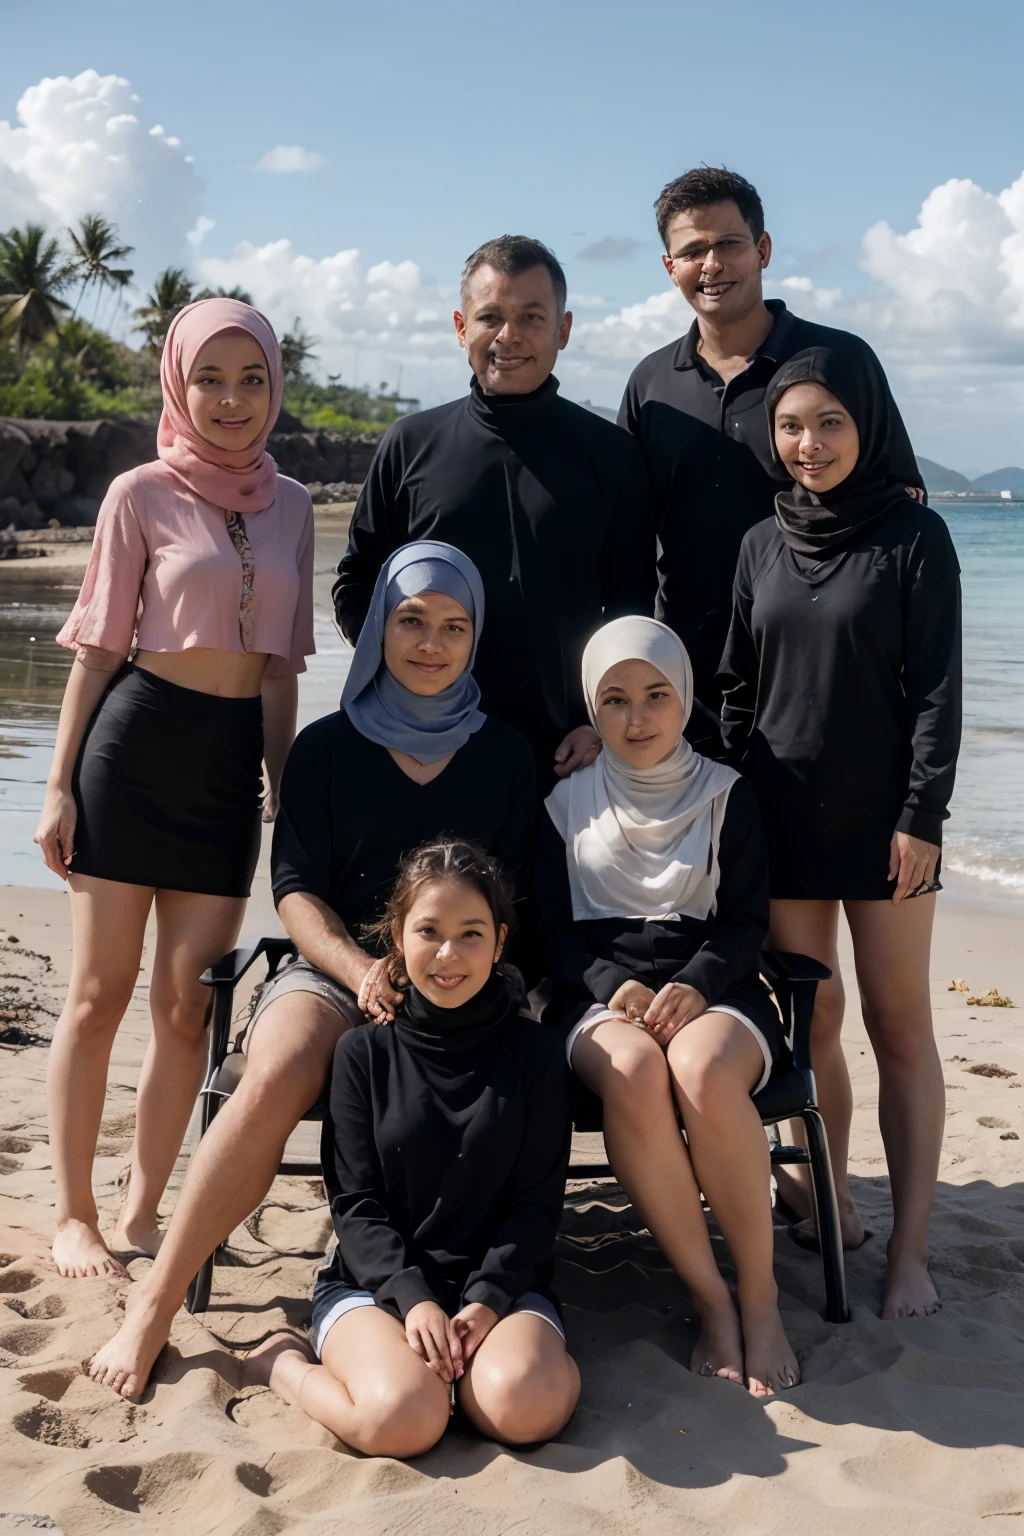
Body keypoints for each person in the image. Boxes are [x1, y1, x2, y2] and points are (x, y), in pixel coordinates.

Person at [88, 541, 536, 1401]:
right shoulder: (330, 748)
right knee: (282, 1060)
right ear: (377, 629)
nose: (431, 643)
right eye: (411, 621)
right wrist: (362, 969)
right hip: (340, 970)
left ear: (477, 638)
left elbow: (520, 903)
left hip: (466, 973)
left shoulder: (508, 756)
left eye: (454, 626)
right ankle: (154, 1302)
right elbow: (293, 891)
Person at [35, 297, 315, 1281]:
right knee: (99, 996)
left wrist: (285, 791)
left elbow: (281, 669)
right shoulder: (138, 494)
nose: (231, 398)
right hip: (133, 748)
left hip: (226, 768)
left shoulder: (290, 506)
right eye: (211, 378)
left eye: (251, 378)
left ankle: (145, 1208)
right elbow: (98, 650)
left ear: (275, 385)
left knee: (189, 1006)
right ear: (177, 382)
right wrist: (57, 787)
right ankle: (73, 1216)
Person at [718, 345, 962, 1321]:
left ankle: (909, 1250)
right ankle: (831, 1199)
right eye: (789, 426)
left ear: (864, 423)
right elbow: (736, 691)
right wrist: (729, 815)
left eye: (827, 423)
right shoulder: (755, 544)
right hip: (781, 828)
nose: (808, 444)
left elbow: (938, 694)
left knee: (899, 1027)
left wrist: (923, 817)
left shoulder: (915, 536)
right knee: (810, 1021)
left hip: (885, 830)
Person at [245, 839, 579, 1456]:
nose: (449, 954)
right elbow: (356, 1205)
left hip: (503, 1287)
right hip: (378, 1286)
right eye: (429, 931)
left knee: (522, 1409)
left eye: (471, 934)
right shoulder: (361, 1055)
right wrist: (413, 1297)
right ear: (397, 936)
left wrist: (486, 1300)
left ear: (501, 943)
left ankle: (483, 1376)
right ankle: (284, 1365)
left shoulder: (536, 1056)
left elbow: (538, 1205)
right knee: (405, 1420)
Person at [536, 615, 797, 1397]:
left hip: (714, 982)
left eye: (656, 695)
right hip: (596, 989)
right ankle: (710, 1299)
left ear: (684, 696)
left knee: (702, 1070)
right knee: (637, 1068)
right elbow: (549, 930)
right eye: (614, 700)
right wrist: (609, 986)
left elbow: (749, 920)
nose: (637, 717)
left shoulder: (726, 795)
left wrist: (700, 983)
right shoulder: (562, 803)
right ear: (592, 707)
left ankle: (759, 1294)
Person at [334, 234, 655, 781]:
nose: (509, 336)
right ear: (462, 329)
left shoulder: (612, 454)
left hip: (565, 755)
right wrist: (402, 688)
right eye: (490, 317)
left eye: (532, 316)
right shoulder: (411, 443)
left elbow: (631, 607)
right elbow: (356, 584)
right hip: (419, 749)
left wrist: (600, 721)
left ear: (564, 329)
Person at [618, 166, 923, 725]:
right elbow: (628, 539)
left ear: (762, 248)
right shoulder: (650, 384)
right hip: (688, 681)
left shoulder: (840, 362)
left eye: (729, 244)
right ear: (670, 268)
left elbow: (899, 515)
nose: (711, 264)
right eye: (692, 251)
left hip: (821, 680)